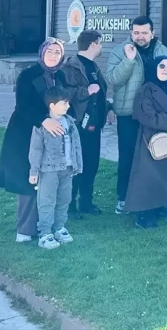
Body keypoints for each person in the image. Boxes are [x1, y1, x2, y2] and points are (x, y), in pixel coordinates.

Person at [0, 38, 70, 243]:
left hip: (53, 136)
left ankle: (46, 225)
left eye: (58, 52)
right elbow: (23, 105)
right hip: (26, 131)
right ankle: (25, 230)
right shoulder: (27, 75)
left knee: (49, 178)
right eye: (50, 51)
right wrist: (43, 120)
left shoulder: (61, 76)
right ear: (42, 53)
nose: (54, 55)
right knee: (29, 177)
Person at [105, 16, 167, 214]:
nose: (140, 36)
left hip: (155, 113)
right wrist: (129, 60)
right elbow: (113, 79)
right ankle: (123, 198)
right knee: (128, 156)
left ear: (152, 32)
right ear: (131, 32)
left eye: (144, 32)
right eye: (136, 32)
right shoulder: (120, 51)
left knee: (156, 154)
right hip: (129, 113)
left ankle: (155, 199)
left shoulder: (161, 50)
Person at [125, 56, 167, 229]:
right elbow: (144, 115)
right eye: (161, 66)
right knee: (149, 176)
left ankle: (160, 207)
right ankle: (144, 215)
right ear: (154, 67)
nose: (165, 70)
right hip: (153, 138)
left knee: (166, 175)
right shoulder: (146, 89)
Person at [60, 30, 107, 218]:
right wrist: (86, 90)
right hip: (78, 125)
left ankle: (86, 203)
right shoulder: (70, 67)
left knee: (91, 164)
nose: (102, 47)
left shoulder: (94, 66)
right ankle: (69, 206)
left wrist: (108, 108)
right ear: (93, 44)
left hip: (94, 126)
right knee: (75, 166)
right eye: (100, 43)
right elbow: (64, 94)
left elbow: (99, 93)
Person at [29, 86, 83, 249]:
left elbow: (76, 146)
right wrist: (34, 170)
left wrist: (77, 164)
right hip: (49, 170)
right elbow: (36, 149)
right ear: (52, 105)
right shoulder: (41, 126)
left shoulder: (71, 123)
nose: (68, 106)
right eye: (64, 103)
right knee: (47, 200)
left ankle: (59, 227)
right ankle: (45, 232)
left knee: (64, 199)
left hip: (67, 169)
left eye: (68, 103)